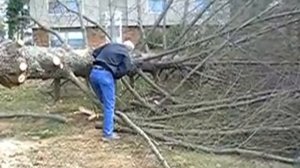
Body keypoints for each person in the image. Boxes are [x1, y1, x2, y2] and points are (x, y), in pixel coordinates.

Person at [89, 39, 135, 141]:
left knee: (104, 101)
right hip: (105, 76)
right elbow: (127, 68)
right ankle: (108, 134)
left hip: (93, 73)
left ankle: (107, 122)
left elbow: (95, 52)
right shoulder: (125, 53)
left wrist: (104, 61)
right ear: (129, 50)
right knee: (109, 105)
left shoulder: (110, 45)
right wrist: (115, 74)